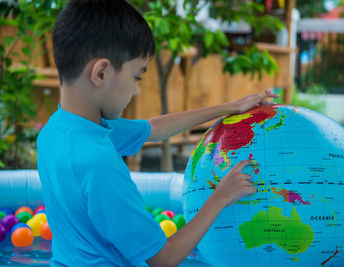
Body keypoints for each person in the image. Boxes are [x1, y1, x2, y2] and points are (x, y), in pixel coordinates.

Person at [36, 0, 279, 266]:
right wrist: (221, 196)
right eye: (137, 77)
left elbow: (154, 128)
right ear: (101, 72)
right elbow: (164, 258)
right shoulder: (98, 161)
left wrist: (229, 107)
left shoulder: (58, 131)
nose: (136, 90)